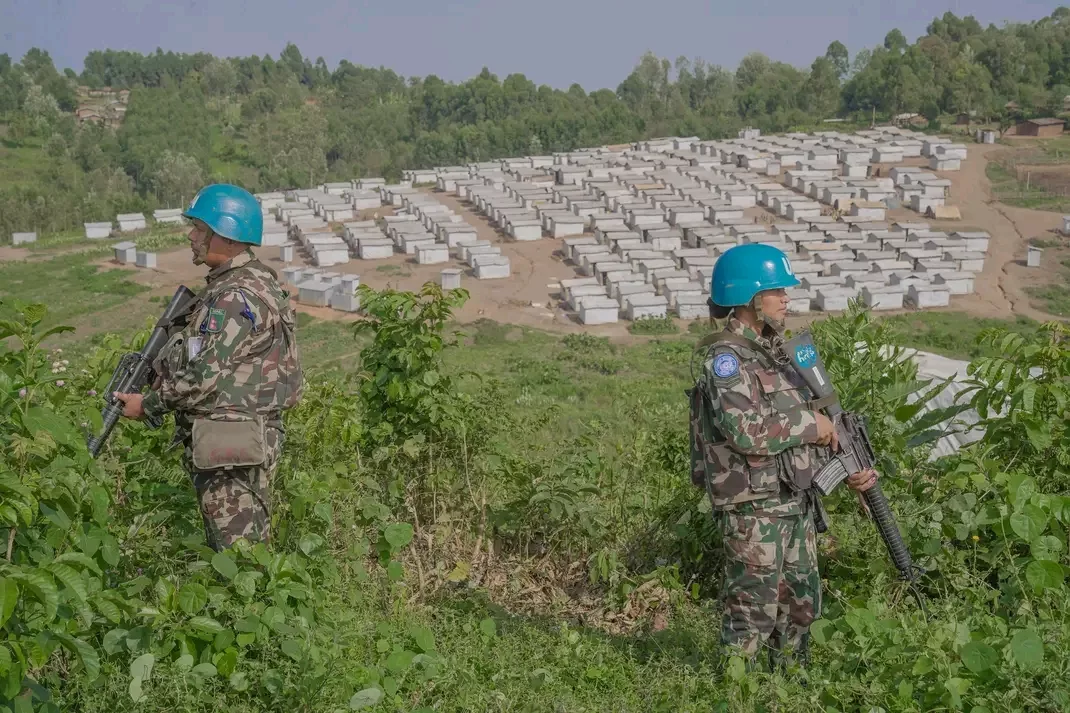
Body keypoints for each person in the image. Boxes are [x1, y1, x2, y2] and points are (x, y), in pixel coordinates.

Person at [688, 243, 878, 672]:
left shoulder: (777, 354)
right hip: (755, 509)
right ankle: (736, 694)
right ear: (753, 298)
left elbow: (798, 424)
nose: (787, 299)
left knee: (800, 606)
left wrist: (845, 459)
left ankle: (789, 688)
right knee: (752, 612)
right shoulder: (727, 360)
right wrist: (814, 427)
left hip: (794, 501)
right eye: (778, 291)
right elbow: (747, 432)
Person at [114, 184, 303, 551]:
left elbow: (202, 378)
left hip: (232, 442)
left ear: (228, 236)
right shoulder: (248, 281)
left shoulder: (234, 296)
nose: (191, 236)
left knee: (239, 559)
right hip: (235, 437)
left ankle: (248, 609)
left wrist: (147, 405)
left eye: (200, 229)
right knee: (240, 552)